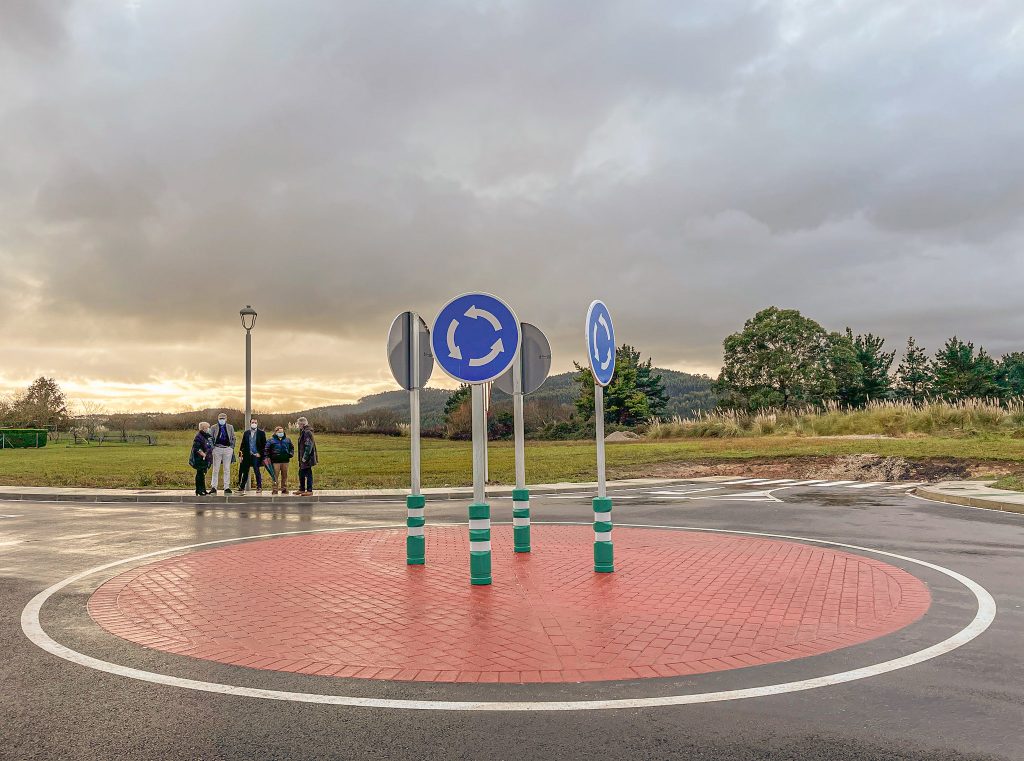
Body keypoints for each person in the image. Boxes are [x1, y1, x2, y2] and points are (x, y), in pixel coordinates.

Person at [237, 417, 267, 494]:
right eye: (252, 422)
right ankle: (242, 487)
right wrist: (240, 456)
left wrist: (260, 454)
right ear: (250, 423)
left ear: (257, 424)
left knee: (256, 471)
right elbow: (242, 444)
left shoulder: (261, 433)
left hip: (256, 455)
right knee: (245, 471)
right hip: (247, 455)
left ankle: (259, 487)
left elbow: (264, 446)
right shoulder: (246, 433)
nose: (254, 424)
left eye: (255, 423)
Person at [208, 413, 236, 495]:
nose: (222, 420)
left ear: (226, 419)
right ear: (218, 419)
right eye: (220, 418)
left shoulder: (230, 427)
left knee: (226, 469)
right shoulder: (213, 427)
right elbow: (210, 438)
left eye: (223, 418)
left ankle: (226, 487)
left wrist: (231, 447)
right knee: (215, 469)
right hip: (217, 449)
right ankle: (214, 487)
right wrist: (213, 448)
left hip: (227, 449)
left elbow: (233, 437)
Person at [265, 425, 294, 495]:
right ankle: (275, 490)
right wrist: (268, 457)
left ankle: (284, 489)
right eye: (279, 432)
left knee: (284, 476)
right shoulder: (271, 440)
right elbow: (266, 450)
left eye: (282, 432)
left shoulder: (287, 440)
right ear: (276, 432)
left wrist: (290, 454)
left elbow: (292, 448)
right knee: (275, 476)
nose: (281, 433)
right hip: (275, 462)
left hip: (285, 461)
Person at [296, 417, 318, 496]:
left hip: (307, 457)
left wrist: (305, 457)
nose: (298, 425)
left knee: (308, 473)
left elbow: (309, 446)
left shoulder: (307, 432)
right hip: (302, 456)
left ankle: (309, 490)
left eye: (299, 424)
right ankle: (302, 489)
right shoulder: (303, 431)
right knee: (301, 472)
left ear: (302, 424)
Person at [190, 422, 213, 496]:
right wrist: (203, 454)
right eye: (207, 427)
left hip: (204, 459)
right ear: (203, 428)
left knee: (202, 474)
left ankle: (203, 490)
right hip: (200, 459)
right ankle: (199, 490)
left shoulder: (205, 436)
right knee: (200, 474)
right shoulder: (199, 436)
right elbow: (197, 448)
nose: (208, 429)